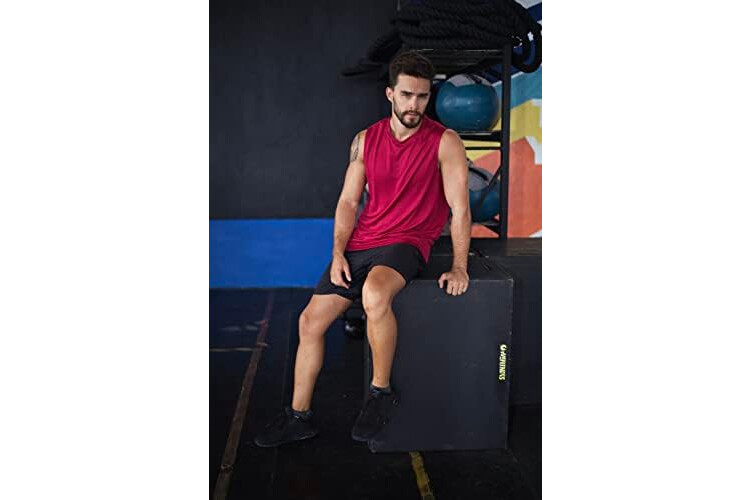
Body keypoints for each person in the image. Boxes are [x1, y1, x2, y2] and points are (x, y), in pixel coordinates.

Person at [254, 51, 471, 447]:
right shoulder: (365, 141)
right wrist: (338, 252)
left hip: (407, 241)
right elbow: (348, 202)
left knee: (374, 294)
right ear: (390, 94)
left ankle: (380, 392)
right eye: (406, 95)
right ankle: (298, 416)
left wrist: (459, 266)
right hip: (362, 242)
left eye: (422, 96)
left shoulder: (446, 142)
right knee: (309, 322)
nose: (414, 105)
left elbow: (459, 208)